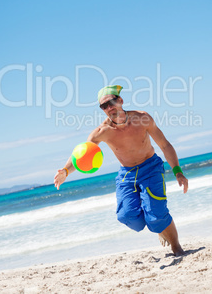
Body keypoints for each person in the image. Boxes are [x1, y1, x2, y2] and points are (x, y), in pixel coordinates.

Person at [54, 85, 188, 256]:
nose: (109, 108)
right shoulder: (101, 132)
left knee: (157, 216)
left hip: (151, 167)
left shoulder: (142, 119)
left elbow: (164, 145)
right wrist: (65, 171)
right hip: (127, 173)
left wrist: (178, 171)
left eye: (111, 102)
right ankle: (156, 223)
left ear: (120, 100)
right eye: (104, 106)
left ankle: (175, 246)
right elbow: (81, 157)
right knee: (126, 216)